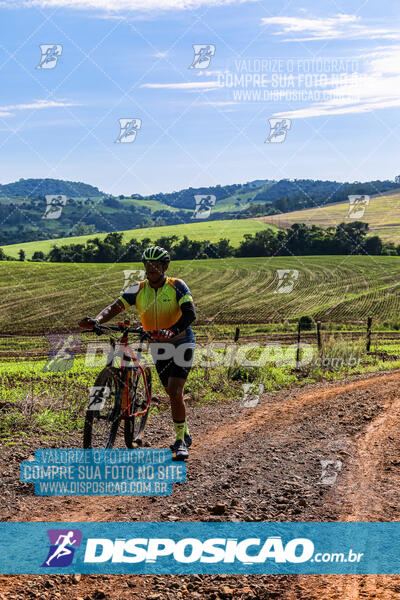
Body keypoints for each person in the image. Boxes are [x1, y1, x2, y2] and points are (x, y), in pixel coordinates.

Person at [79, 246, 196, 460]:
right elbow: (115, 307)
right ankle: (184, 432)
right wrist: (97, 320)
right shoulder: (138, 289)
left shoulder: (177, 286)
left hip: (181, 342)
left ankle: (180, 442)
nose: (150, 268)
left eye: (156, 265)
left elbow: (190, 314)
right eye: (147, 265)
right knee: (170, 392)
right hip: (158, 345)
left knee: (175, 389)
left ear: (165, 266)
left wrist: (172, 330)